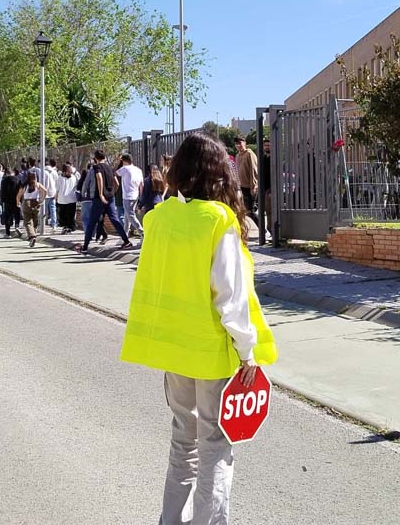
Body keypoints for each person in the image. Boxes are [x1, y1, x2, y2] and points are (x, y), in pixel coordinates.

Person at [120, 131, 278, 525]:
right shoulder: (217, 220)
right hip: (211, 353)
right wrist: (248, 352)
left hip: (173, 352)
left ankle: (171, 520)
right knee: (215, 446)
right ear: (217, 172)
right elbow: (230, 297)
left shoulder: (158, 219)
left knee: (182, 442)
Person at [77, 150, 131, 253]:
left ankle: (85, 247)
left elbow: (99, 178)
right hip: (110, 197)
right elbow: (117, 183)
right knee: (114, 219)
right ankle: (126, 241)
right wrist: (112, 192)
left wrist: (101, 194)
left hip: (99, 198)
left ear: (95, 158)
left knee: (92, 222)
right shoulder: (110, 168)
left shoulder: (97, 167)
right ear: (105, 157)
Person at [116, 154, 145, 237]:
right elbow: (141, 184)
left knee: (130, 215)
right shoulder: (138, 170)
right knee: (127, 216)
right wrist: (141, 196)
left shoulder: (125, 168)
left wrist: (118, 162)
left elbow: (115, 172)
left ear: (124, 161)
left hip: (127, 196)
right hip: (135, 195)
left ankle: (142, 232)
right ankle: (125, 235)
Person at [17, 172, 49, 248]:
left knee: (28, 222)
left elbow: (18, 195)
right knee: (35, 221)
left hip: (27, 202)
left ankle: (32, 236)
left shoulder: (25, 185)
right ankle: (33, 234)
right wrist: (42, 200)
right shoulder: (37, 184)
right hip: (36, 202)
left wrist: (18, 202)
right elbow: (45, 191)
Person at [235, 137, 259, 214]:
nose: (238, 145)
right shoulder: (237, 156)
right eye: (236, 144)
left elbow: (254, 171)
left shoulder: (250, 154)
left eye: (240, 143)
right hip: (240, 187)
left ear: (245, 143)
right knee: (242, 210)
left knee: (250, 211)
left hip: (249, 187)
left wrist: (254, 186)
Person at [56, 164, 79, 234]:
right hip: (62, 200)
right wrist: (56, 198)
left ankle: (70, 227)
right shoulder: (59, 178)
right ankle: (66, 227)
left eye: (71, 172)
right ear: (64, 172)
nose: (70, 173)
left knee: (70, 216)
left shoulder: (73, 178)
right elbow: (57, 189)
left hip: (71, 200)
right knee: (62, 216)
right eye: (68, 172)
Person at [0, 166, 22, 237]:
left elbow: (2, 191)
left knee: (8, 216)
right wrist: (20, 199)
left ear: (6, 173)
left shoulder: (4, 180)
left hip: (7, 200)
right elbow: (20, 190)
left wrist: (2, 199)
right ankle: (17, 226)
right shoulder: (18, 179)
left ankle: (8, 232)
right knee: (17, 214)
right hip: (16, 199)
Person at [43, 159, 59, 233]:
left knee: (44, 210)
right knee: (53, 209)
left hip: (45, 193)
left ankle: (42, 225)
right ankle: (54, 225)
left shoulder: (43, 171)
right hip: (52, 192)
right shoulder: (54, 171)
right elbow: (57, 181)